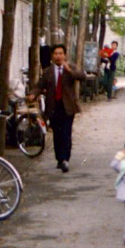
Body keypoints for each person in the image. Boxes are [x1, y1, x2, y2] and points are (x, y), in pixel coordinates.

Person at [29, 43, 84, 173]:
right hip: (53, 107)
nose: (58, 56)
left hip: (67, 106)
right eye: (55, 54)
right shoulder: (48, 71)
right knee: (57, 134)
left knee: (66, 133)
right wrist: (33, 94)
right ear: (52, 56)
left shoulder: (70, 68)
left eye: (60, 53)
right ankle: (59, 158)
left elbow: (82, 76)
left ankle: (65, 159)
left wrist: (70, 70)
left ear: (64, 55)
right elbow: (40, 85)